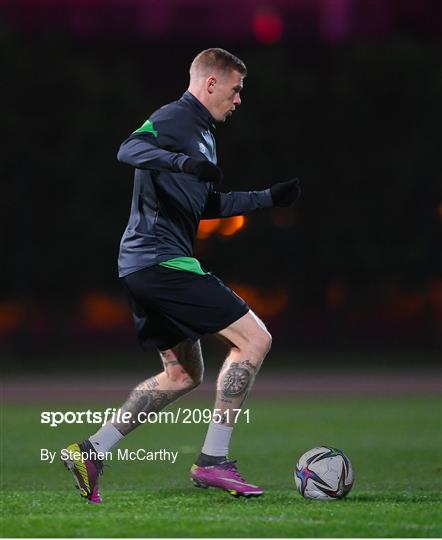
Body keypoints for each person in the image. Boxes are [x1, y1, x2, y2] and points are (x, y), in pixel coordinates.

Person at [63, 47, 300, 503]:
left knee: (181, 375)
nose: (237, 100)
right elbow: (128, 148)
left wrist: (266, 197)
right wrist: (180, 162)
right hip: (160, 262)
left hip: (143, 266)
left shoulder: (205, 134)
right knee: (255, 339)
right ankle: (214, 461)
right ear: (211, 83)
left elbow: (207, 205)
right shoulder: (177, 117)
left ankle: (92, 450)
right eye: (235, 91)